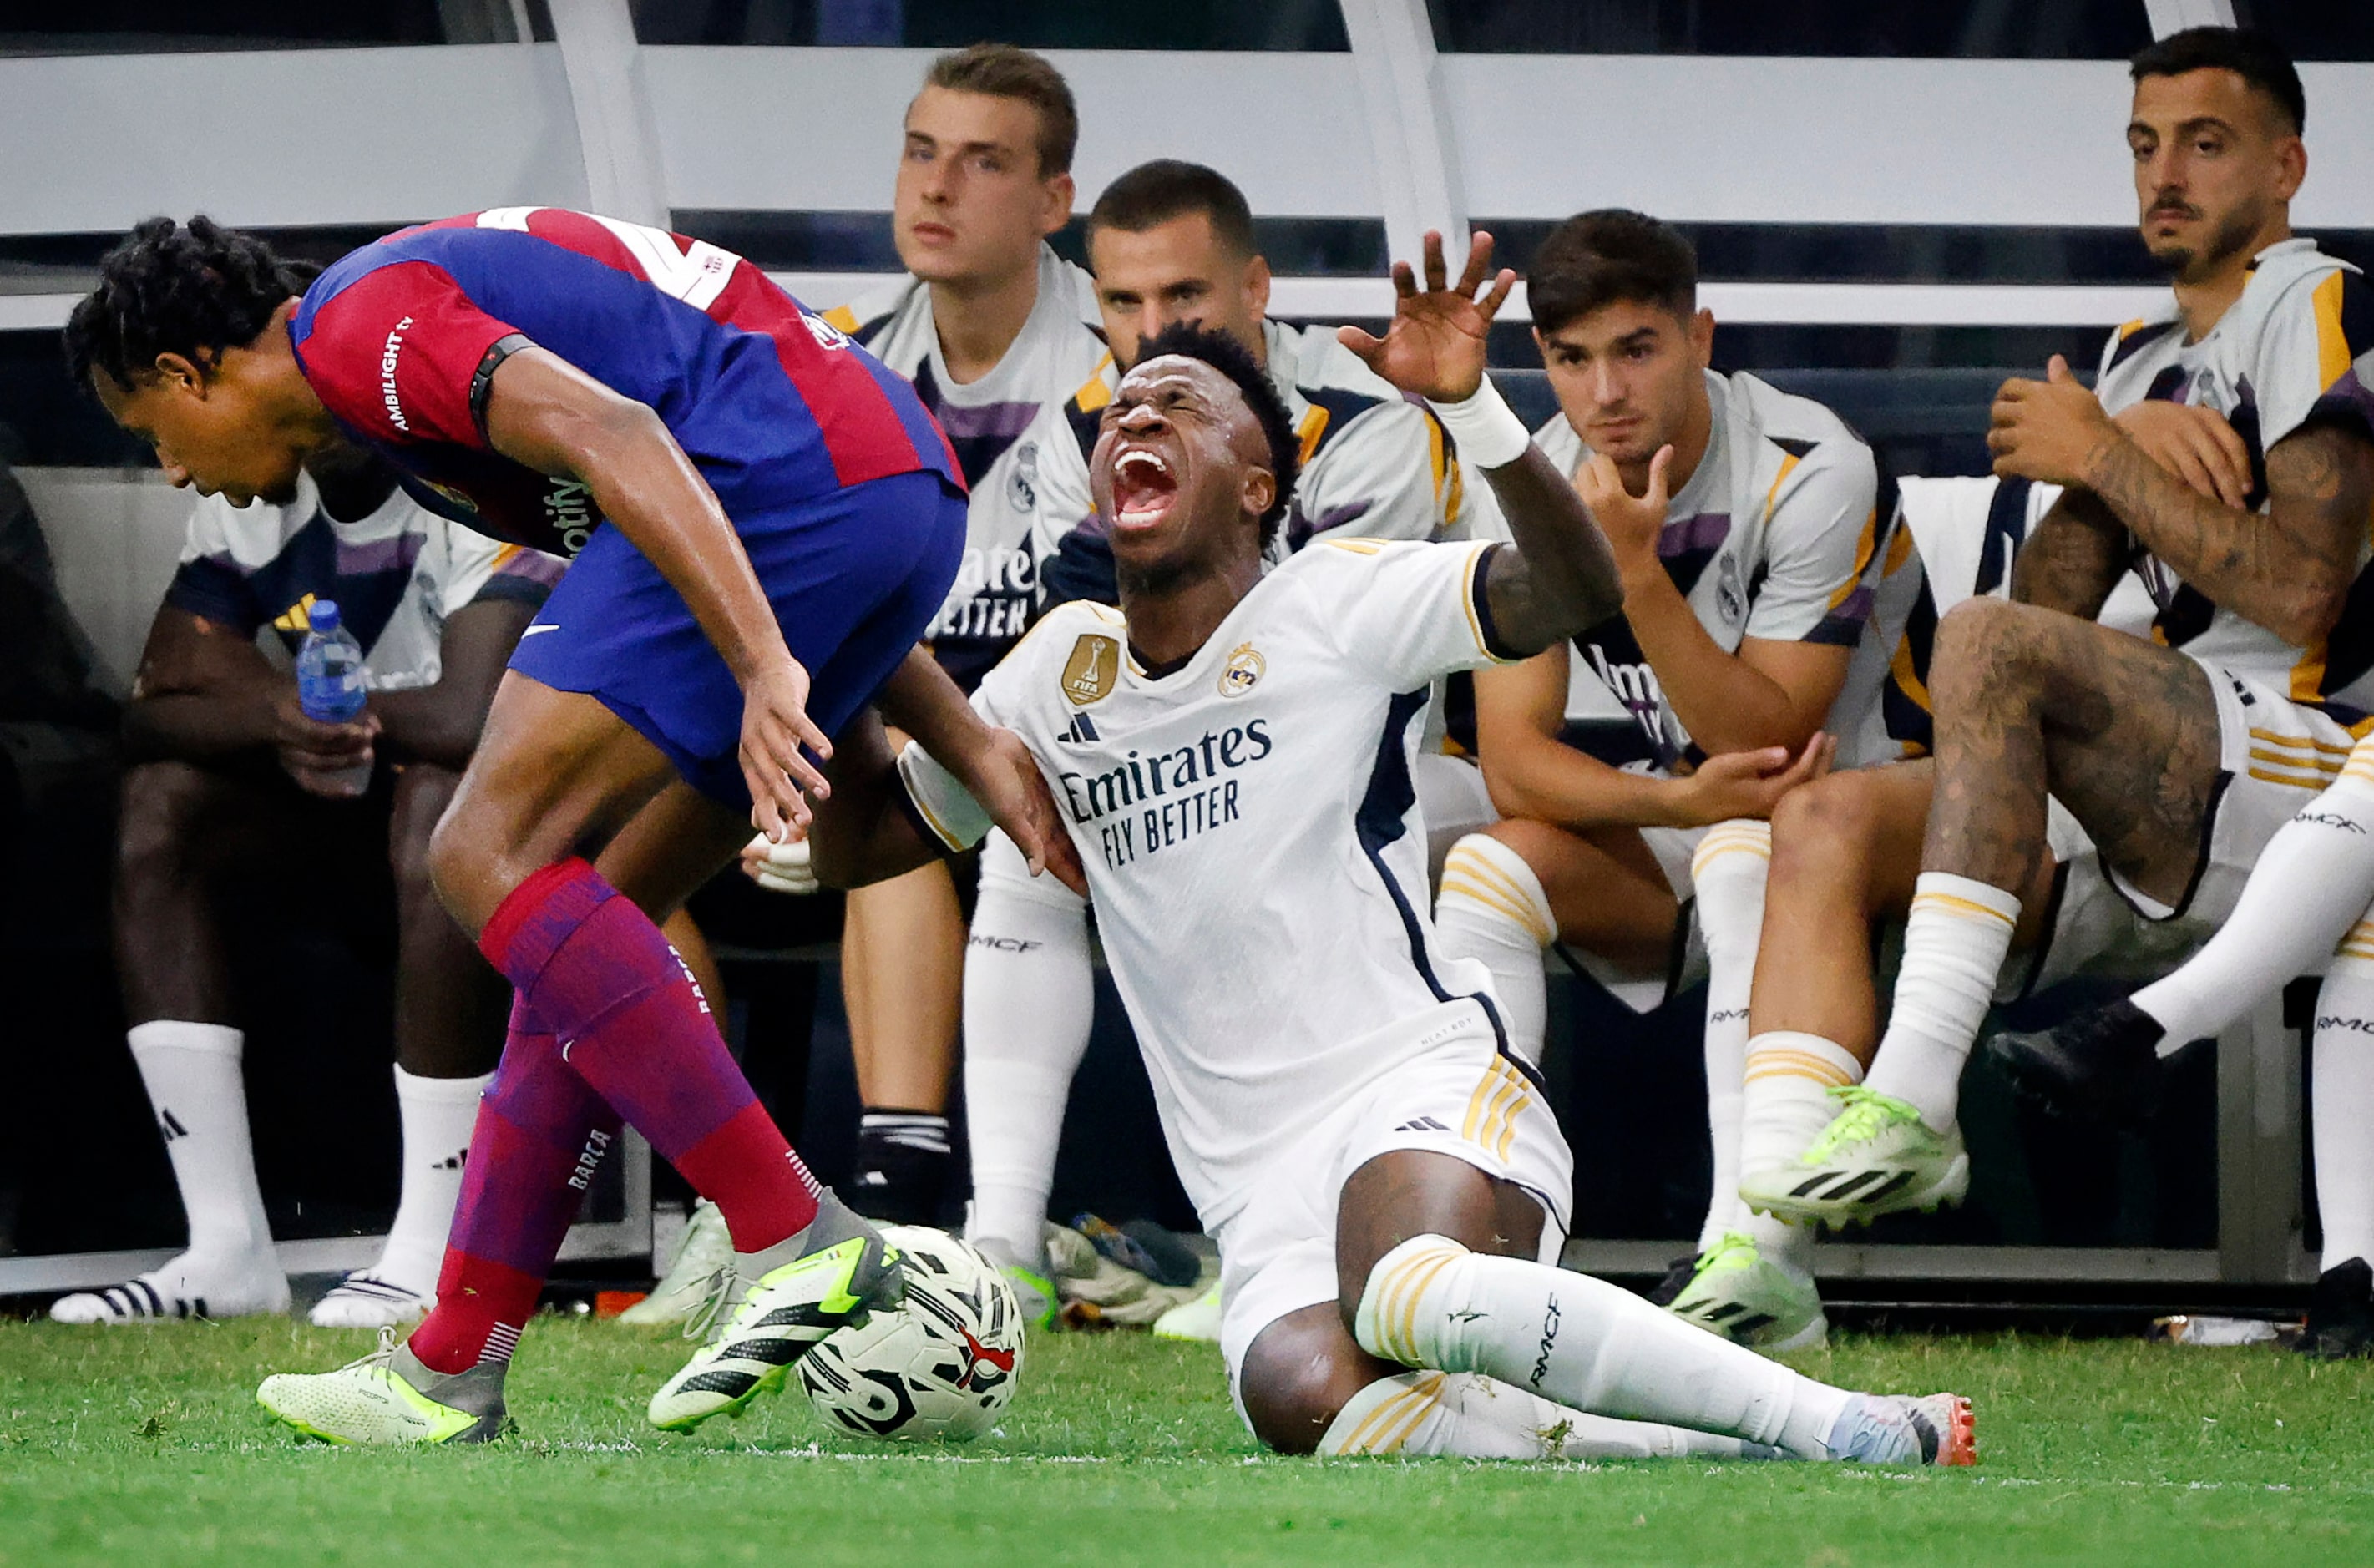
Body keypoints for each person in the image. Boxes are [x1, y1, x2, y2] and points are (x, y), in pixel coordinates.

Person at [805, 234, 1974, 1466]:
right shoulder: (1054, 672)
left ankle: (1835, 1425)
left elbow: (1571, 589)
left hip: (1413, 1088)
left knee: (1409, 1291)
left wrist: (1471, 405)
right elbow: (860, 847)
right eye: (1123, 406)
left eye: (1181, 407)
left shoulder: (1336, 600)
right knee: (1308, 1398)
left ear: (1258, 484)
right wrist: (846, 629)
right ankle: (1694, 1452)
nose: (1134, 417)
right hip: (1252, 1184)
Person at [66, 207, 1071, 1444]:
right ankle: (451, 1364)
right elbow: (785, 484)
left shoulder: (360, 327)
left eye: (150, 434)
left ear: (187, 374)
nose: (169, 468)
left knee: (479, 853)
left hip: (778, 486)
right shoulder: (383, 374)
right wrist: (965, 735)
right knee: (573, 934)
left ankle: (792, 1233)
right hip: (875, 490)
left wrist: (763, 663)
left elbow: (621, 434)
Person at [1727, 27, 2374, 1260]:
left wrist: (2101, 453)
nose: (2162, 174)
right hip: (2156, 769)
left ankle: (1915, 1091)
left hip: (2305, 763)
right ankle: (1756, 1251)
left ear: (2284, 165)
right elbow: (2045, 613)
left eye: (2203, 142)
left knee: (1985, 641)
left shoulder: (2313, 296)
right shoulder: (2137, 354)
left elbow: (2302, 595)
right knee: (1820, 822)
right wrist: (2109, 455)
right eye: (2142, 146)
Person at [947, 158, 1477, 1318]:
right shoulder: (1076, 430)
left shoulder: (1367, 419)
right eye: (1123, 304)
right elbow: (1069, 657)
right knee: (1017, 831)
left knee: (1240, 819)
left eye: (1179, 300)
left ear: (1253, 286)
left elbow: (1296, 643)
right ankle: (1001, 1244)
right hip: (1181, 764)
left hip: (1401, 784)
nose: (1146, 333)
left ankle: (1302, 1243)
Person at [1417, 210, 1877, 1351]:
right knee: (1485, 862)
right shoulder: (1530, 479)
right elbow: (1515, 761)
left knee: (1740, 839)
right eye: (1569, 360)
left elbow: (1771, 742)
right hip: (1704, 811)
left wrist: (1631, 580)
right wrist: (1669, 801)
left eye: (1635, 349)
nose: (1602, 392)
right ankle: (1490, 1245)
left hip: (1862, 825)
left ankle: (1752, 1257)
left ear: (1699, 336)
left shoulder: (1812, 467)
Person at [48, 438, 558, 1328]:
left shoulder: (468, 471)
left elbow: (473, 717)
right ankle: (228, 1250)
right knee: (161, 806)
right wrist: (276, 714)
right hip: (352, 815)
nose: (174, 462)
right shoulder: (243, 493)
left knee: (443, 803)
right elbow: (155, 709)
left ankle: (438, 1244)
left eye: (175, 420)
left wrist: (308, 712)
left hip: (524, 828)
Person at [801, 43, 1106, 1226]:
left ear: (1051, 203)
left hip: (1076, 735)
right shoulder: (846, 368)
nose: (935, 189)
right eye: (921, 154)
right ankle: (741, 1195)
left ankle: (899, 1183)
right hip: (906, 736)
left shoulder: (1117, 363)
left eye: (982, 163)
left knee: (896, 792)